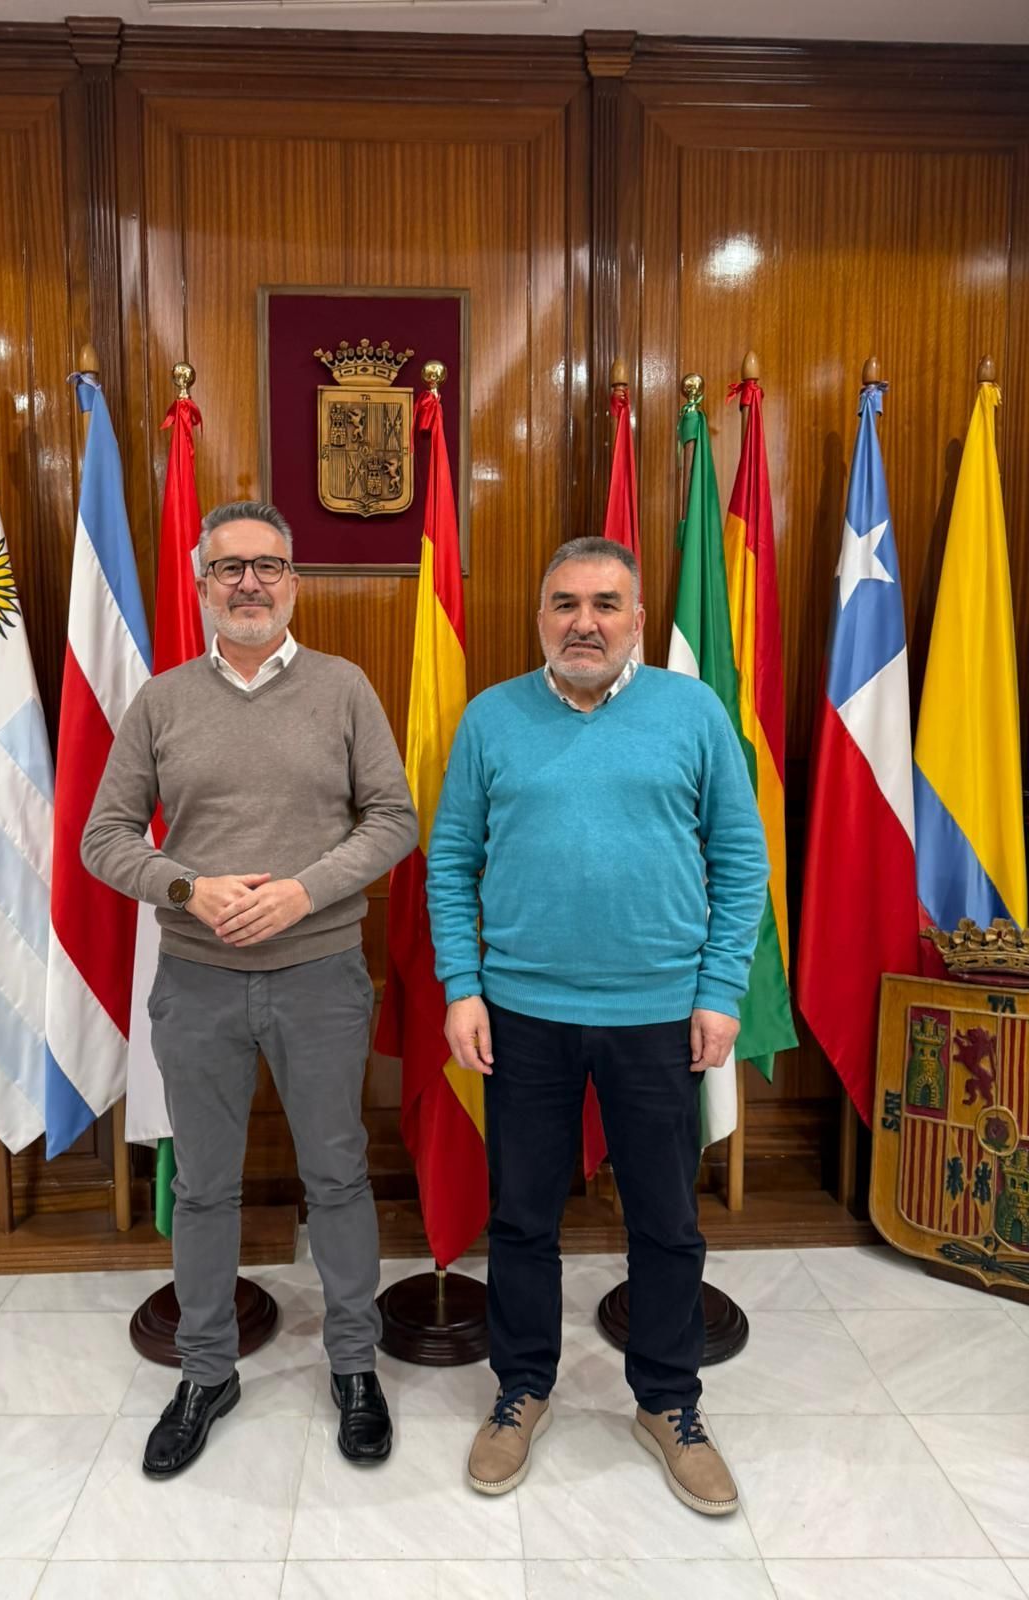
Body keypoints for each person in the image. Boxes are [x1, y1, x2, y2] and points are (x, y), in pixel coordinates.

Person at [426, 536, 768, 1515]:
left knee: (666, 1222)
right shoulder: (492, 717)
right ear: (541, 617)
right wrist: (462, 985)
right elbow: (450, 860)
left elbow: (741, 859)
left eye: (606, 604)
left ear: (637, 618)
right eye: (566, 603)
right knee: (522, 1218)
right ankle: (521, 1389)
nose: (585, 622)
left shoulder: (692, 713)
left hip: (659, 1016)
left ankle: (668, 1402)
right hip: (520, 1014)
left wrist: (720, 991)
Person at [83, 500, 417, 1478]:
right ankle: (205, 1373)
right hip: (198, 983)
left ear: (294, 581)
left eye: (267, 565)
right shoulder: (161, 702)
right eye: (228, 568)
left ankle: (353, 1365)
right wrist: (190, 887)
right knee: (204, 1186)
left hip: (321, 977)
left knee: (338, 1175)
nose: (249, 584)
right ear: (202, 586)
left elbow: (393, 818)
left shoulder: (344, 688)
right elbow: (104, 838)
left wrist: (304, 891)